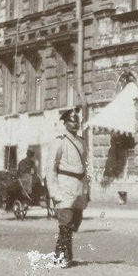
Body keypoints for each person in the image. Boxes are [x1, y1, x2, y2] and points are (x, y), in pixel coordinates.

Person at [47, 107, 89, 267]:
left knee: (73, 223)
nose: (75, 124)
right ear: (65, 123)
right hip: (64, 188)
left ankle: (65, 255)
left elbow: (85, 168)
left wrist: (86, 191)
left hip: (78, 189)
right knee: (65, 223)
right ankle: (61, 256)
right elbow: (50, 169)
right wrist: (54, 192)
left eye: (77, 121)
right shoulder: (60, 141)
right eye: (72, 121)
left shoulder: (82, 142)